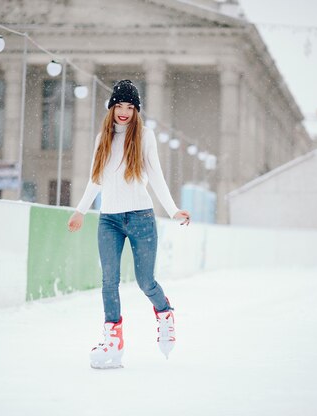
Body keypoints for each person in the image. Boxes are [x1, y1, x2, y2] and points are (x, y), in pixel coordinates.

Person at [67, 79, 191, 369]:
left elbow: (157, 176)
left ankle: (164, 313)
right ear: (111, 108)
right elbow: (95, 179)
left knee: (145, 280)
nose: (124, 111)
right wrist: (80, 211)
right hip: (108, 219)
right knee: (108, 281)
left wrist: (172, 210)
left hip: (141, 218)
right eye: (119, 105)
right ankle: (113, 338)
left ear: (137, 111)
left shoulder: (145, 137)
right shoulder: (102, 139)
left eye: (130, 107)